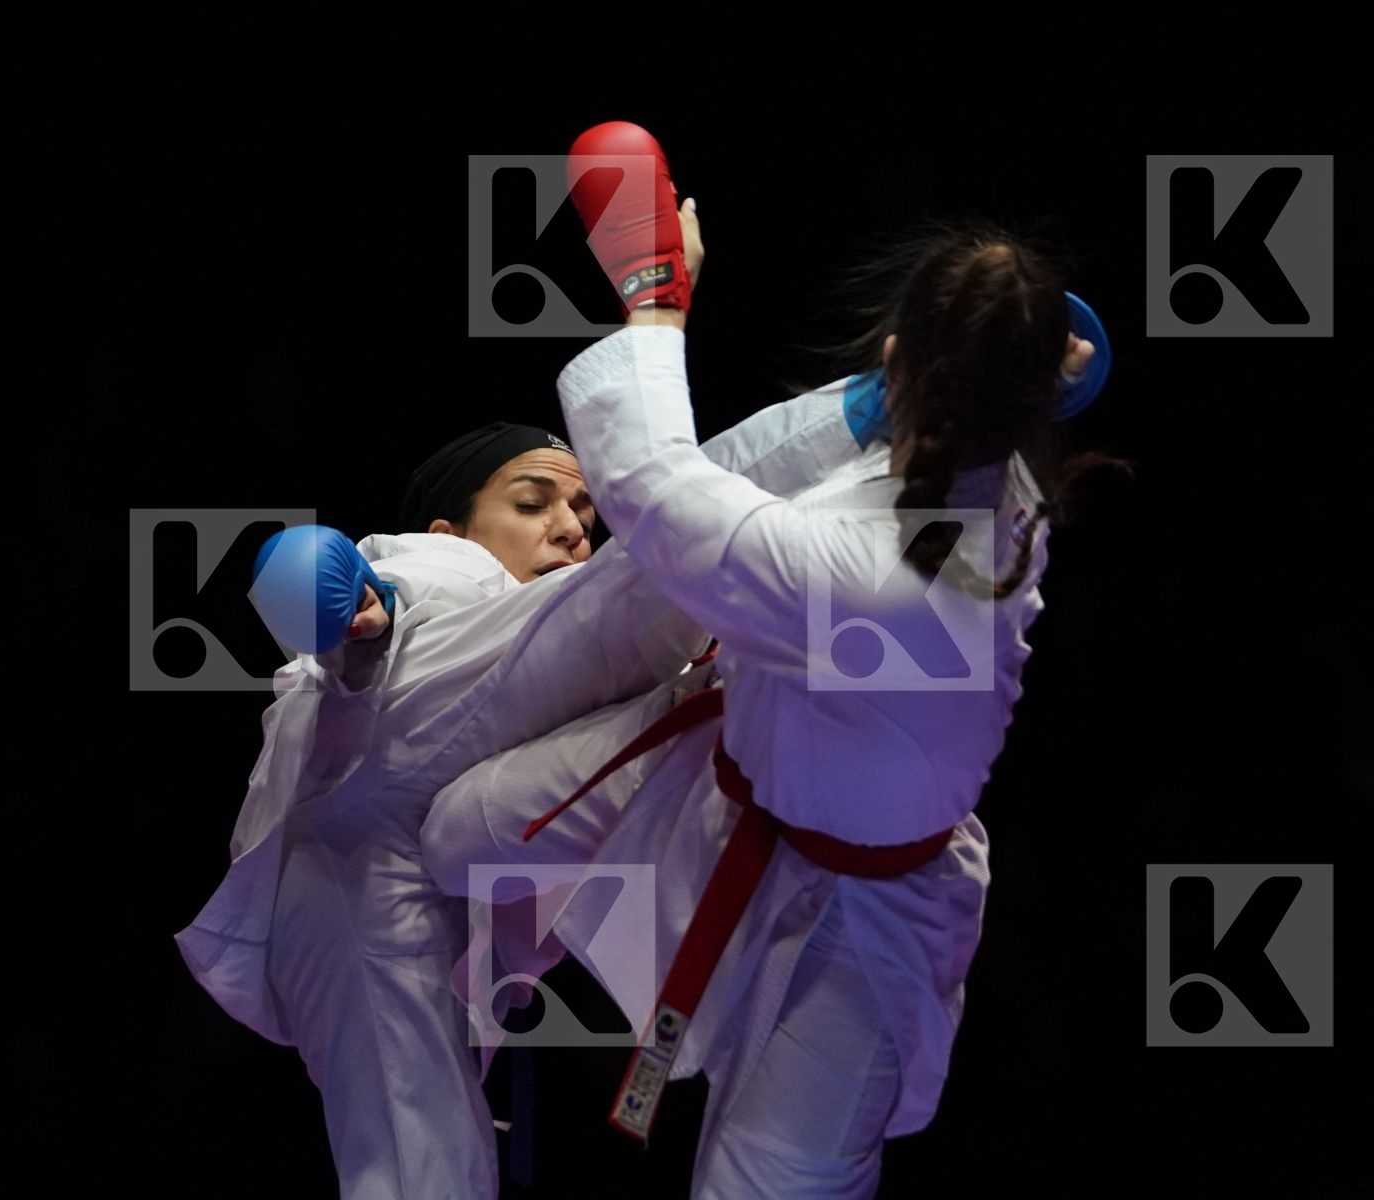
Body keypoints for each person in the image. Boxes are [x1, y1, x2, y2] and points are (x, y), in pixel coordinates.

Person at [420, 128, 1121, 1197]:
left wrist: (655, 291)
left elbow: (656, 490)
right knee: (461, 834)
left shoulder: (861, 569)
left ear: (893, 357)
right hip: (715, 786)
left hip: (861, 937)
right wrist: (972, 377)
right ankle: (495, 1001)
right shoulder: (999, 474)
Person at [177, 407, 862, 1197]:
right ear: (451, 528)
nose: (570, 528)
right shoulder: (445, 571)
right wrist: (362, 614)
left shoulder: (572, 655)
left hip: (459, 885)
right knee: (416, 1174)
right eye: (533, 504)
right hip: (352, 868)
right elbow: (381, 591)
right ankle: (888, 405)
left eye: (580, 512)